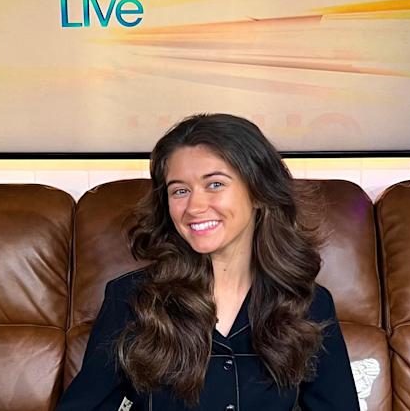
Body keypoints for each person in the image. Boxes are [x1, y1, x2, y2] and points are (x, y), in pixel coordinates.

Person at [57, 114, 359, 410]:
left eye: (214, 184)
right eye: (180, 190)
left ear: (258, 192)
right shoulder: (131, 299)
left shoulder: (308, 303)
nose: (194, 207)